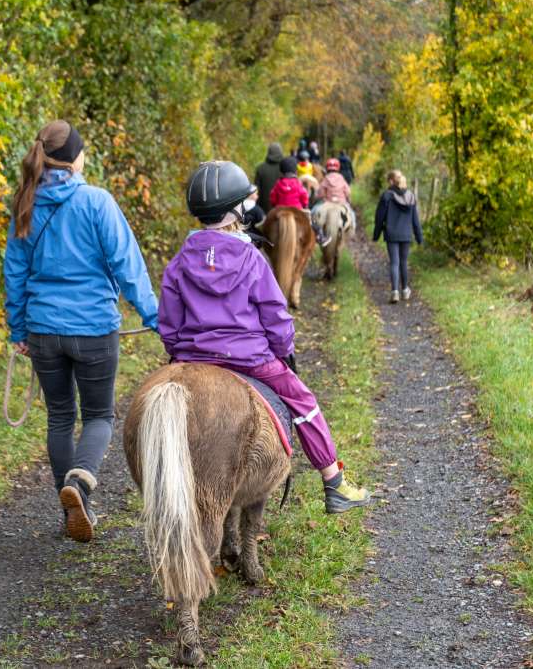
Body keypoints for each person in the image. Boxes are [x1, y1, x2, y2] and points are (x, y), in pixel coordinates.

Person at [158, 160, 371, 514]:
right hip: (250, 358)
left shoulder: (179, 261)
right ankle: (334, 481)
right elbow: (275, 315)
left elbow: (169, 323)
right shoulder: (252, 258)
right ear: (236, 210)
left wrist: (180, 351)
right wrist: (284, 349)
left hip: (192, 358)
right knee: (303, 402)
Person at [4, 120, 159, 543]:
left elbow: (14, 271)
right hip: (93, 329)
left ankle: (69, 504)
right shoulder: (97, 202)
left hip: (42, 332)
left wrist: (18, 327)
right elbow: (128, 265)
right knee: (99, 416)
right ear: (75, 158)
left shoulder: (24, 202)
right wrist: (157, 318)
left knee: (59, 417)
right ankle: (82, 483)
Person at [373, 169, 423, 304]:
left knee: (394, 262)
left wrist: (376, 235)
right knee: (403, 262)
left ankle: (394, 292)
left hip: (391, 233)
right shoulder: (411, 196)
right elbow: (415, 220)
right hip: (406, 234)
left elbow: (379, 218)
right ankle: (405, 290)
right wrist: (419, 238)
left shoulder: (386, 196)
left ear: (391, 181)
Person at [253, 143, 284, 213]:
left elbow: (256, 191)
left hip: (263, 210)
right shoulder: (285, 168)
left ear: (268, 153)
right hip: (281, 210)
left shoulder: (260, 168)